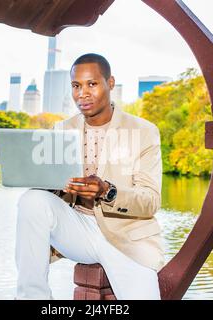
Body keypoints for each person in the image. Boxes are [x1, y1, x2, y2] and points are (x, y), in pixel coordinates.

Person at [15, 53, 164, 300]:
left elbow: (150, 201)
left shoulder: (144, 131)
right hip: (77, 230)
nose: (82, 93)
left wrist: (107, 191)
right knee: (31, 200)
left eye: (92, 84)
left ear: (110, 83)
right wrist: (48, 184)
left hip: (125, 237)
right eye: (76, 85)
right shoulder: (62, 129)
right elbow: (53, 191)